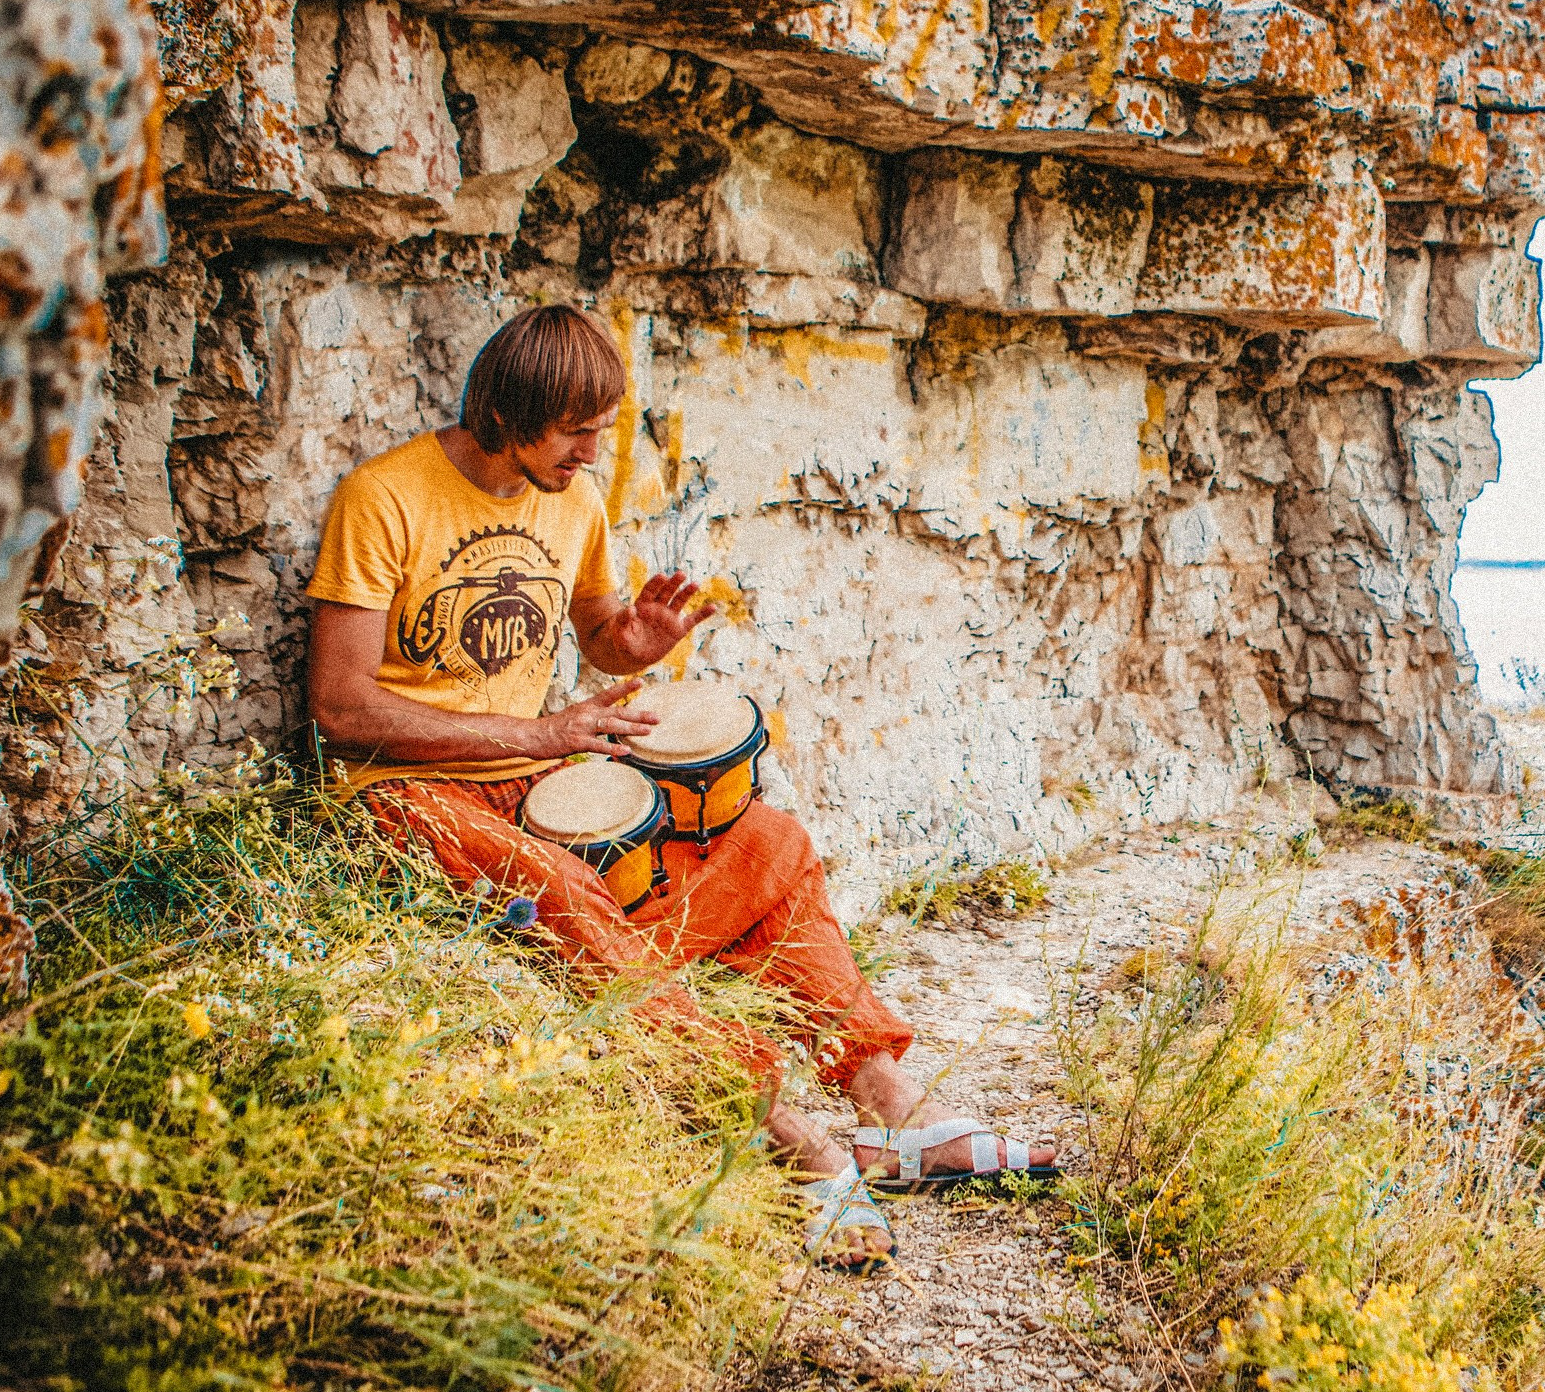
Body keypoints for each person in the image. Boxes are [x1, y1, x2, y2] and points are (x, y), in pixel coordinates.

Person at [303, 304, 1054, 1264]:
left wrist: (634, 641)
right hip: (404, 792)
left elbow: (597, 624)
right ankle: (793, 1140)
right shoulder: (385, 496)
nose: (586, 455)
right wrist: (542, 731)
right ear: (507, 411)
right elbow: (340, 704)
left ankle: (896, 1110)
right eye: (572, 433)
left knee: (767, 842)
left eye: (597, 433)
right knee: (566, 890)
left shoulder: (570, 497)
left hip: (529, 779)